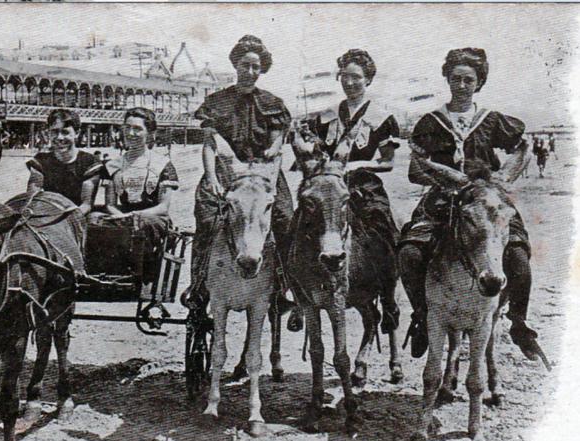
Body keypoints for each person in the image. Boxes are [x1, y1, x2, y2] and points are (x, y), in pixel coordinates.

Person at [398, 47, 540, 361]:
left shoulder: (491, 120)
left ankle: (519, 322)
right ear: (447, 80)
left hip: (487, 199)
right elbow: (414, 170)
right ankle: (422, 316)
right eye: (455, 79)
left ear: (479, 82)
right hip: (442, 200)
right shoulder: (431, 122)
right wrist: (443, 179)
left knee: (518, 255)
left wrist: (502, 180)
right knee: (409, 253)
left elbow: (523, 148)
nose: (461, 85)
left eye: (468, 79)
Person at [183, 34, 301, 329]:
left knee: (286, 219)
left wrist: (263, 169)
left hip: (263, 174)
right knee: (208, 221)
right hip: (225, 172)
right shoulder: (217, 102)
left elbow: (275, 147)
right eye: (244, 65)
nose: (249, 72)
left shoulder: (272, 104)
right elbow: (209, 144)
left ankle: (285, 287)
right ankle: (198, 287)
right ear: (235, 64)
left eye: (255, 67)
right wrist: (211, 178)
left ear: (262, 71)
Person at [297, 49, 402, 333]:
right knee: (297, 225)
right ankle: (296, 293)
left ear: (368, 79)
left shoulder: (382, 117)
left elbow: (388, 163)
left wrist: (355, 165)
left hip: (364, 188)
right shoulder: (328, 115)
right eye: (345, 76)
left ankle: (389, 299)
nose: (350, 82)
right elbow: (317, 154)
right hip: (330, 187)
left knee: (384, 233)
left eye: (356, 77)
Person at [99, 107, 179, 280]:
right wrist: (121, 216)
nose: (131, 133)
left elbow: (163, 207)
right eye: (127, 128)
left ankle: (142, 275)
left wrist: (135, 215)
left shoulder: (162, 164)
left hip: (154, 218)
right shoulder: (112, 165)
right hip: (121, 216)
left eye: (137, 129)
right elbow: (110, 204)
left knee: (143, 223)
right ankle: (107, 273)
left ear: (149, 133)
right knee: (93, 220)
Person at [25, 109, 102, 215]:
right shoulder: (41, 161)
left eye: (65, 132)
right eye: (55, 132)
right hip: (47, 215)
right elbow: (32, 198)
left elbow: (86, 204)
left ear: (77, 133)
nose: (59, 137)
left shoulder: (89, 163)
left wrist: (64, 219)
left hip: (77, 216)